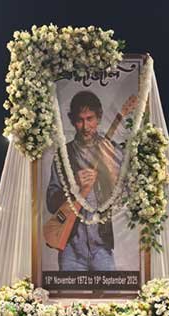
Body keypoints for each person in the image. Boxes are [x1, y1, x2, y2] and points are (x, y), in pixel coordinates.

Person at [46, 90, 135, 271]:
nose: (85, 126)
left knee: (110, 289)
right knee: (68, 290)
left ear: (99, 118)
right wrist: (74, 186)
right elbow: (51, 202)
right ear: (72, 120)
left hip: (102, 247)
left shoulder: (112, 151)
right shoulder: (63, 154)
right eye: (80, 120)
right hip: (71, 248)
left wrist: (112, 171)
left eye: (90, 119)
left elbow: (126, 195)